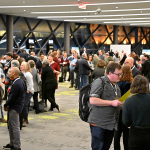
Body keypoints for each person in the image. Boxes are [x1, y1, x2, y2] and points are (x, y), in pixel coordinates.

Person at [88, 62, 123, 150]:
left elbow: (115, 102)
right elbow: (93, 100)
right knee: (98, 147)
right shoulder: (100, 82)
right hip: (98, 123)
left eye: (121, 74)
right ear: (110, 73)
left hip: (110, 123)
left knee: (105, 147)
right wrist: (111, 103)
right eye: (118, 74)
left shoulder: (116, 85)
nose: (120, 76)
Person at [122, 75, 150, 150]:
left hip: (135, 133)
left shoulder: (128, 101)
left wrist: (130, 125)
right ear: (146, 85)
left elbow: (125, 120)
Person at [3, 67, 26, 150]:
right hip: (14, 106)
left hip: (14, 107)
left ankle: (16, 146)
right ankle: (12, 143)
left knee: (15, 127)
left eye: (9, 71)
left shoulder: (17, 83)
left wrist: (6, 104)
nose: (8, 73)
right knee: (11, 126)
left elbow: (12, 97)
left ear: (14, 73)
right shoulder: (18, 81)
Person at [114, 65, 133, 150]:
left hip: (117, 109)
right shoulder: (129, 84)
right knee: (126, 133)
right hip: (125, 110)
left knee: (117, 133)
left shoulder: (116, 83)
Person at [20, 62, 34, 127]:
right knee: (25, 105)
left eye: (22, 65)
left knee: (24, 105)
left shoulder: (28, 74)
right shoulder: (22, 73)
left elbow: (30, 83)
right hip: (24, 91)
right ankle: (25, 118)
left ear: (25, 66)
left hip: (28, 91)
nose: (20, 66)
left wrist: (28, 91)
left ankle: (24, 119)